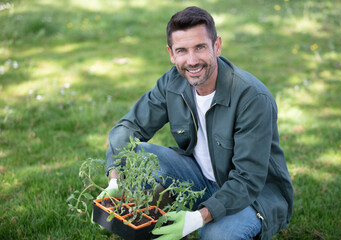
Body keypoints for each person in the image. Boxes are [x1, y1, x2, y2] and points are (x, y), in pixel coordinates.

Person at [101, 6, 293, 240]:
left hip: (254, 196)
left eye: (200, 47)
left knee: (214, 235)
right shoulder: (172, 83)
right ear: (171, 54)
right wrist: (114, 179)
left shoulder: (252, 98)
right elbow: (127, 129)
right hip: (200, 178)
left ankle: (210, 221)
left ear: (217, 46)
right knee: (135, 155)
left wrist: (199, 217)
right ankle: (155, 228)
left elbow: (248, 179)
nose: (192, 61)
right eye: (182, 50)